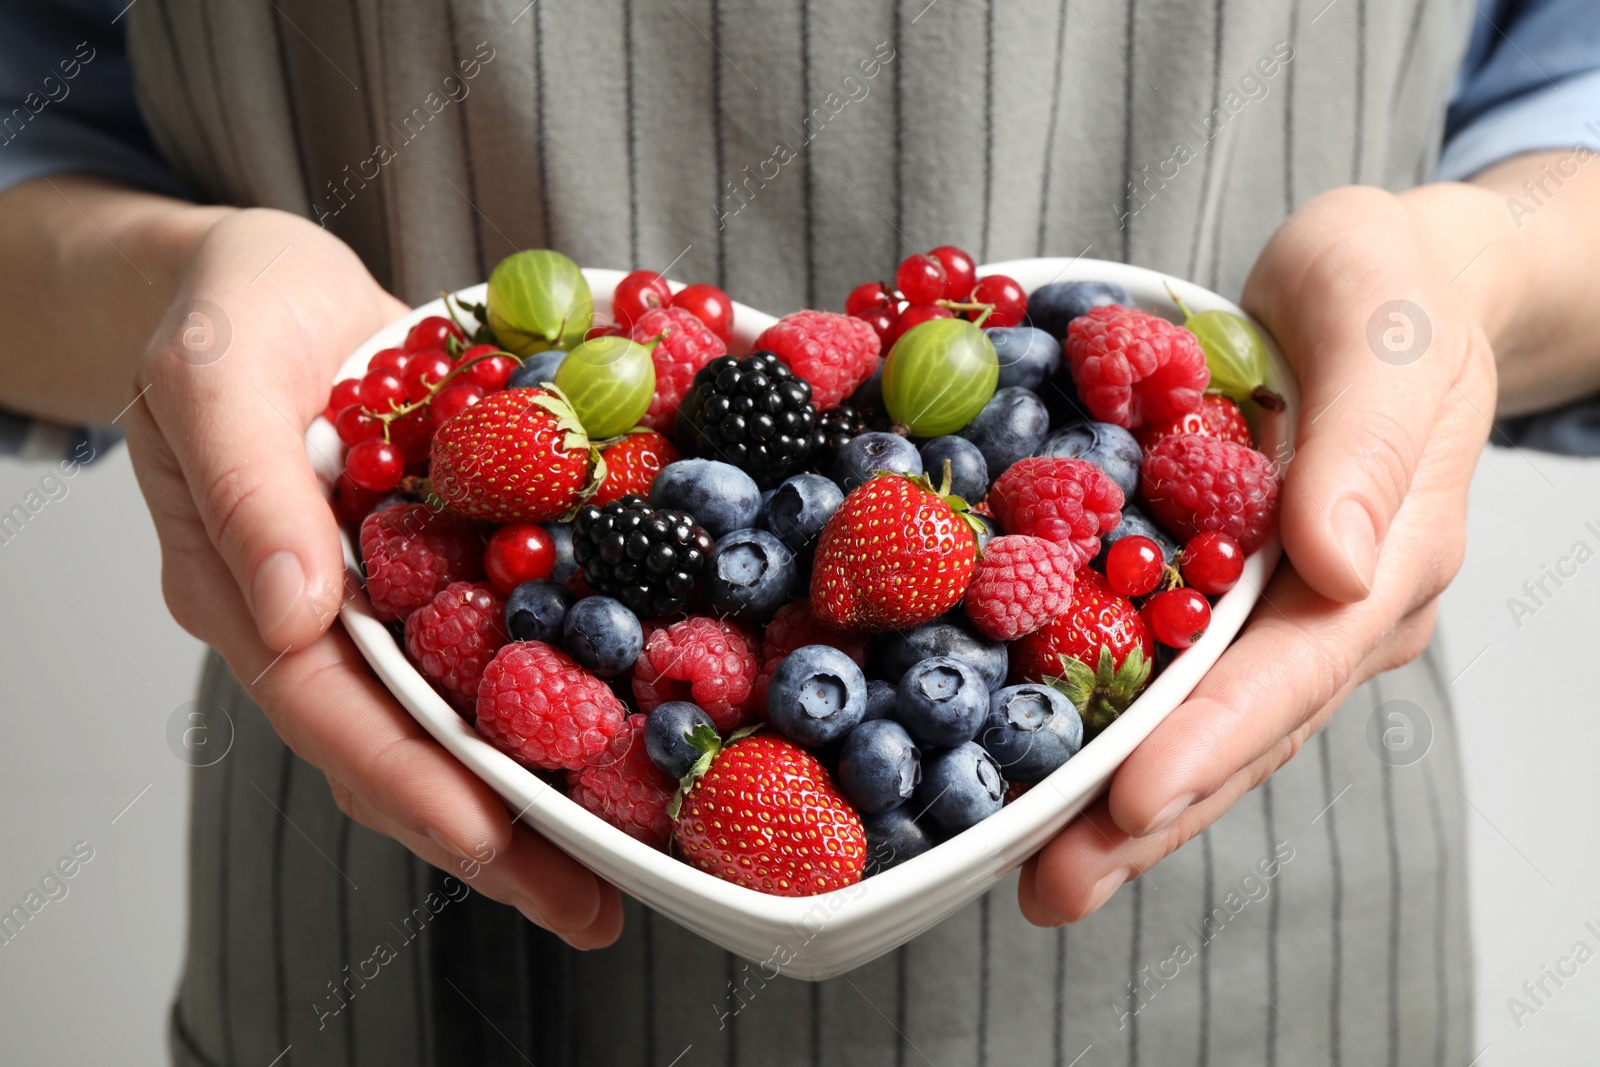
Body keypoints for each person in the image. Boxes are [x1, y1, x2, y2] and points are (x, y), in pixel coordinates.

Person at [4, 1, 1600, 1063]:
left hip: (1247, 925)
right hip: (395, 890)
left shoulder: (1025, 507)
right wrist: (172, 301)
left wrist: (1460, 283)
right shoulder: (648, 585)